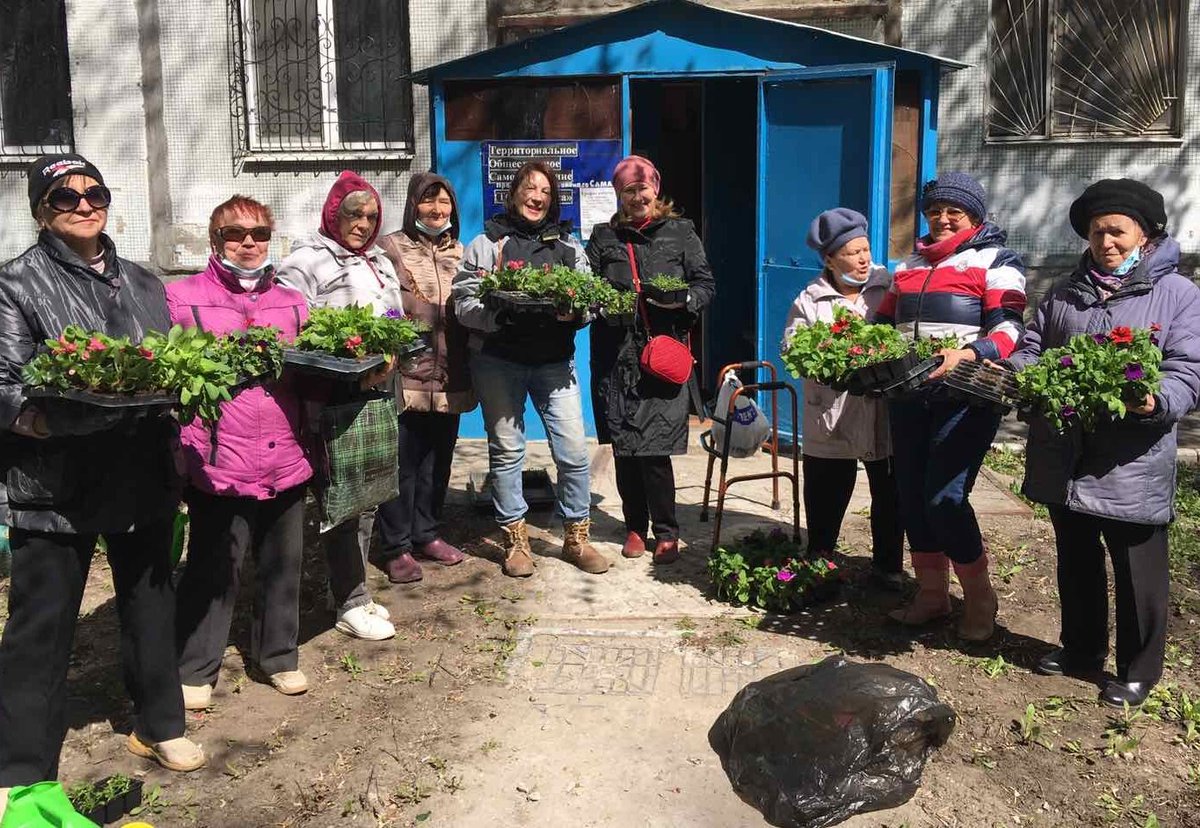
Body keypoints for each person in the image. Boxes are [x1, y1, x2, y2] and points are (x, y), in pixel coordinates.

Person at [0, 154, 205, 798]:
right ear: (42, 210)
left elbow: (165, 368)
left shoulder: (144, 283)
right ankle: (22, 771)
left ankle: (159, 721)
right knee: (42, 624)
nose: (84, 205)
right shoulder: (15, 284)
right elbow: (4, 388)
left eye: (95, 194)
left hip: (140, 470)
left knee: (150, 601)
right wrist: (53, 424)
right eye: (65, 196)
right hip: (54, 485)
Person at [1005, 179, 1200, 706]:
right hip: (1067, 450)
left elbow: (1187, 368)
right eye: (1097, 232)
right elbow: (1031, 347)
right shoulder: (1067, 291)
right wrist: (1015, 375)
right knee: (1076, 558)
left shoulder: (1178, 294)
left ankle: (1138, 668)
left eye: (1117, 230)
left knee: (1138, 568)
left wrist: (1154, 400)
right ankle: (1081, 649)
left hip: (1130, 454)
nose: (1105, 241)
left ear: (1145, 233)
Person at [168, 196, 313, 710]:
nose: (248, 242)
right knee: (214, 566)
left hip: (285, 452)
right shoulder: (181, 299)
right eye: (234, 233)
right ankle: (196, 666)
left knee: (283, 562)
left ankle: (278, 655)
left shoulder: (293, 301)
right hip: (219, 458)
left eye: (258, 233)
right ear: (215, 240)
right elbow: (172, 382)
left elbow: (309, 375)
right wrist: (187, 457)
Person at [874, 172, 1026, 641]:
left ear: (974, 216)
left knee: (945, 497)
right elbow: (881, 326)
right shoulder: (910, 265)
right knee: (911, 496)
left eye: (953, 211)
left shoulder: (997, 260)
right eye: (934, 210)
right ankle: (932, 596)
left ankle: (981, 598)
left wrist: (971, 353)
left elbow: (1010, 329)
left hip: (966, 394)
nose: (941, 218)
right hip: (909, 395)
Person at [451, 161, 608, 578]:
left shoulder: (569, 247)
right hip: (498, 361)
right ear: (514, 192)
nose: (537, 196)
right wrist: (498, 315)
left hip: (554, 362)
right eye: (529, 187)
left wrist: (573, 312)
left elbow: (592, 300)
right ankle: (515, 541)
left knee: (574, 451)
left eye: (545, 190)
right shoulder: (486, 243)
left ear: (552, 199)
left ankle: (577, 537)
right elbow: (464, 302)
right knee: (507, 452)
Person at [276, 170, 401, 641]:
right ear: (333, 213)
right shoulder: (307, 261)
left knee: (367, 494)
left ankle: (350, 589)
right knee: (343, 495)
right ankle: (350, 602)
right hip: (334, 394)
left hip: (379, 388)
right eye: (354, 214)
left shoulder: (378, 261)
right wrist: (349, 363)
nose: (363, 224)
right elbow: (296, 332)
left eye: (371, 216)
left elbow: (393, 316)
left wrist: (392, 349)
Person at [586, 155, 715, 564]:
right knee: (625, 448)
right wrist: (600, 306)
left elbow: (705, 283)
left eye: (643, 188)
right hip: (617, 356)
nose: (637, 196)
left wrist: (684, 300)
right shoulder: (604, 237)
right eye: (628, 190)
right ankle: (633, 527)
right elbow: (587, 286)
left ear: (655, 189)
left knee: (655, 450)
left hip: (661, 352)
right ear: (619, 195)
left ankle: (666, 531)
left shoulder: (680, 232)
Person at [781, 208, 903, 587]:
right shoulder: (811, 300)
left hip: (881, 409)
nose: (864, 259)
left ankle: (887, 567)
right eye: (852, 252)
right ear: (829, 259)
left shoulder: (890, 286)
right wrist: (828, 361)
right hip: (831, 413)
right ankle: (821, 560)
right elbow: (792, 348)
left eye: (866, 249)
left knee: (889, 492)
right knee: (826, 490)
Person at [376, 173, 476, 583]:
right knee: (403, 462)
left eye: (444, 202)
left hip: (452, 371)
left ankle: (427, 533)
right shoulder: (391, 248)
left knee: (438, 461)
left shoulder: (463, 251)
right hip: (407, 372)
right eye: (427, 202)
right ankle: (395, 546)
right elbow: (381, 304)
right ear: (412, 205)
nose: (437, 210)